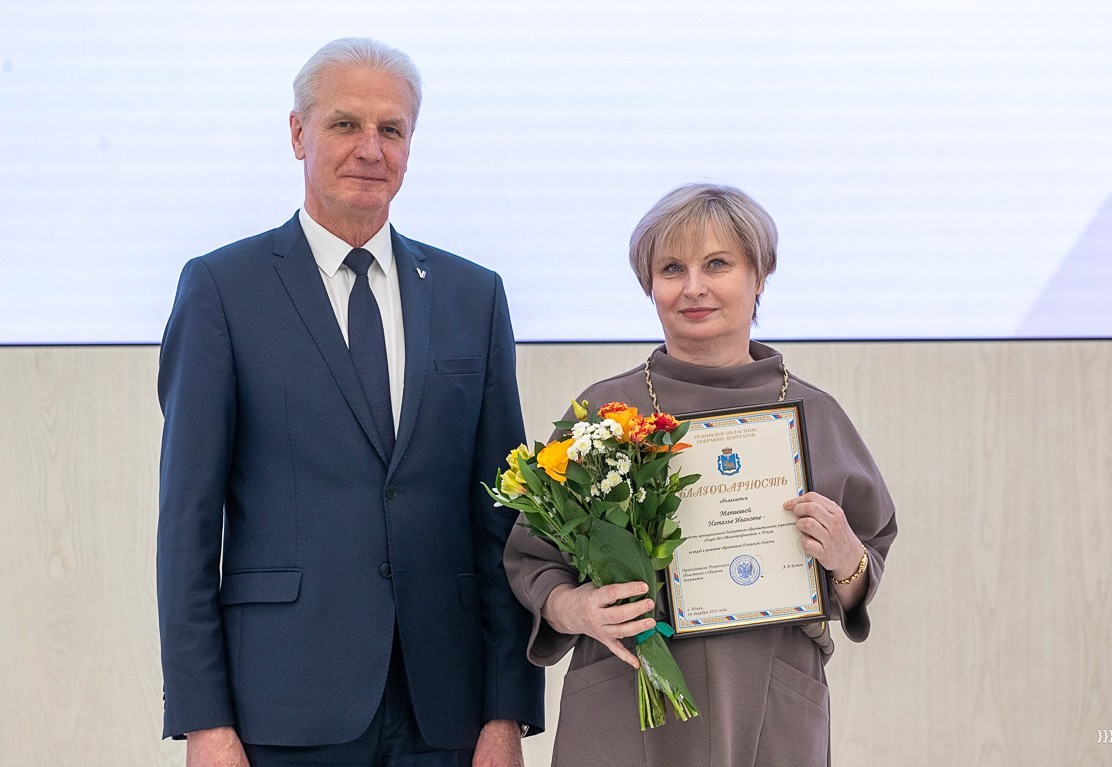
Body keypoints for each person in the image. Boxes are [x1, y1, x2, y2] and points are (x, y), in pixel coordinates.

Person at [157, 38, 543, 767]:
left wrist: (507, 710)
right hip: (282, 704)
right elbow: (187, 524)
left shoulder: (473, 296)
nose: (371, 149)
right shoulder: (222, 290)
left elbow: (502, 517)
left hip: (448, 710)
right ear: (298, 133)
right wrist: (203, 720)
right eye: (345, 124)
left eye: (391, 129)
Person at [504, 183, 897, 766]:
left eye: (717, 264)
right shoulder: (606, 414)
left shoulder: (815, 414)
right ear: (649, 285)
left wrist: (847, 558)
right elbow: (533, 561)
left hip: (771, 699)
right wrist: (576, 609)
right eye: (671, 269)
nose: (693, 287)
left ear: (760, 276)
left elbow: (862, 568)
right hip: (626, 699)